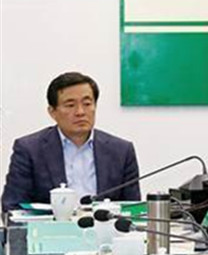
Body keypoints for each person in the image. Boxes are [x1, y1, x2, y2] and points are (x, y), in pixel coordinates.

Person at [1, 72, 140, 212]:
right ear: (52, 112)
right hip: (51, 226)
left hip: (104, 226)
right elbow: (12, 206)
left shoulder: (121, 151)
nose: (80, 112)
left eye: (87, 104)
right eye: (70, 105)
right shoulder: (29, 150)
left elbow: (133, 210)